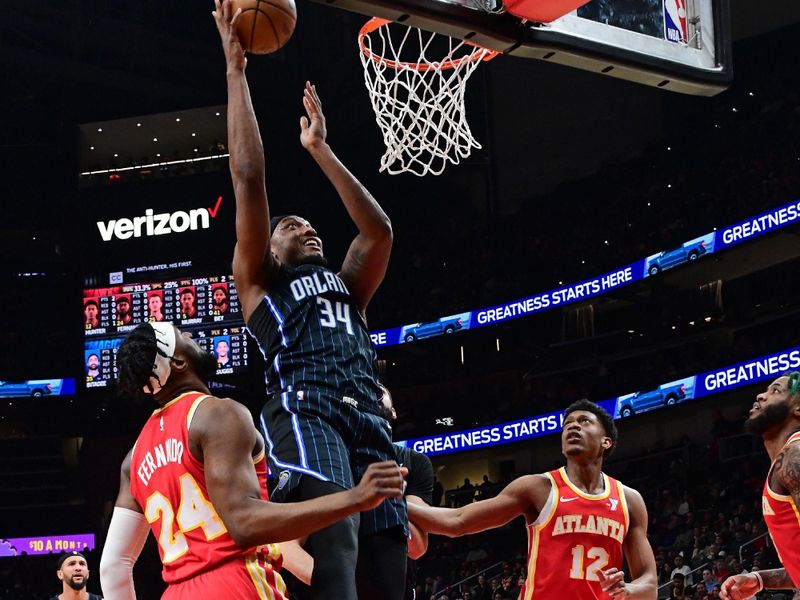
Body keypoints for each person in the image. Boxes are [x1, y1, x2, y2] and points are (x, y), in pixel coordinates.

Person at [214, 2, 405, 599]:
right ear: (270, 245)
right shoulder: (262, 280)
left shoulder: (348, 285)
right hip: (307, 410)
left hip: (367, 419)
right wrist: (236, 73)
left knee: (388, 563)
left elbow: (378, 233)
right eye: (290, 225)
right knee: (339, 541)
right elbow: (249, 181)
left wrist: (320, 150)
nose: (306, 229)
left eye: (308, 224)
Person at [99, 321, 405, 599]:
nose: (191, 335)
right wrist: (354, 498)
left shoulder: (133, 457)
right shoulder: (217, 413)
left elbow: (113, 566)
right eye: (182, 335)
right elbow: (243, 522)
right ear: (178, 362)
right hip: (235, 582)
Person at [408, 400, 657, 599]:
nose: (573, 426)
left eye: (584, 421)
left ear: (606, 441)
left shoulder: (629, 500)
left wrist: (629, 590)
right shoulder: (539, 488)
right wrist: (394, 502)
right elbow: (458, 521)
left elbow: (649, 582)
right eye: (568, 423)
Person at [720, 373, 800, 599]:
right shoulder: (786, 461)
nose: (761, 396)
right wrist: (760, 579)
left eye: (776, 391)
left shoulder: (795, 456)